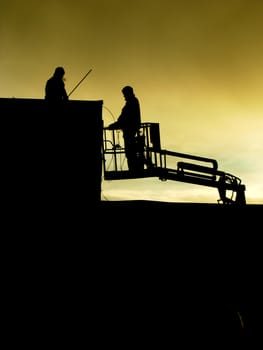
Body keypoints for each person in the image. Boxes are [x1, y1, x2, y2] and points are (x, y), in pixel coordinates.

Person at [108, 86, 143, 171]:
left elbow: (125, 118)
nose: (124, 96)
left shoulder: (131, 103)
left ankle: (133, 168)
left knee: (130, 150)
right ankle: (134, 167)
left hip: (130, 129)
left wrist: (115, 125)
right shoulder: (133, 102)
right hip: (131, 129)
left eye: (124, 94)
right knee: (131, 150)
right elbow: (124, 118)